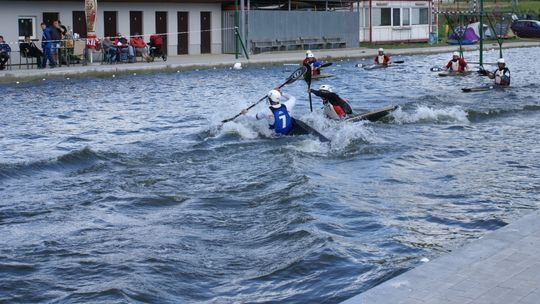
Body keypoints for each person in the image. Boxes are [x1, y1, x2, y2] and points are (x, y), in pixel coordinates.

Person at [240, 89, 306, 136]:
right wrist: (282, 93)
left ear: (269, 99)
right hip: (291, 131)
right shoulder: (287, 105)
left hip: (277, 136)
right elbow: (293, 98)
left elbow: (253, 118)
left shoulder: (266, 111)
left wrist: (245, 113)